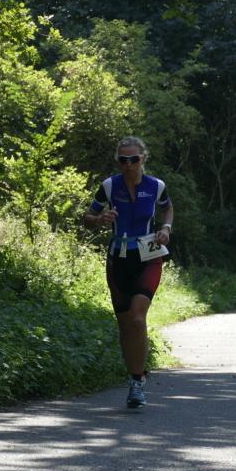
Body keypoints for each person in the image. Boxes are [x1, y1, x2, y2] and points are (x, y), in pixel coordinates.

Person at [84, 136, 174, 408]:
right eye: (123, 160)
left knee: (136, 317)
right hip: (118, 257)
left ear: (143, 159)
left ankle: (138, 381)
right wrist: (99, 219)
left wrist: (166, 228)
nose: (128, 164)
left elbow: (167, 208)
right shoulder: (110, 186)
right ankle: (133, 376)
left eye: (134, 159)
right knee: (125, 324)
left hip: (148, 255)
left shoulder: (156, 186)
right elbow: (87, 218)